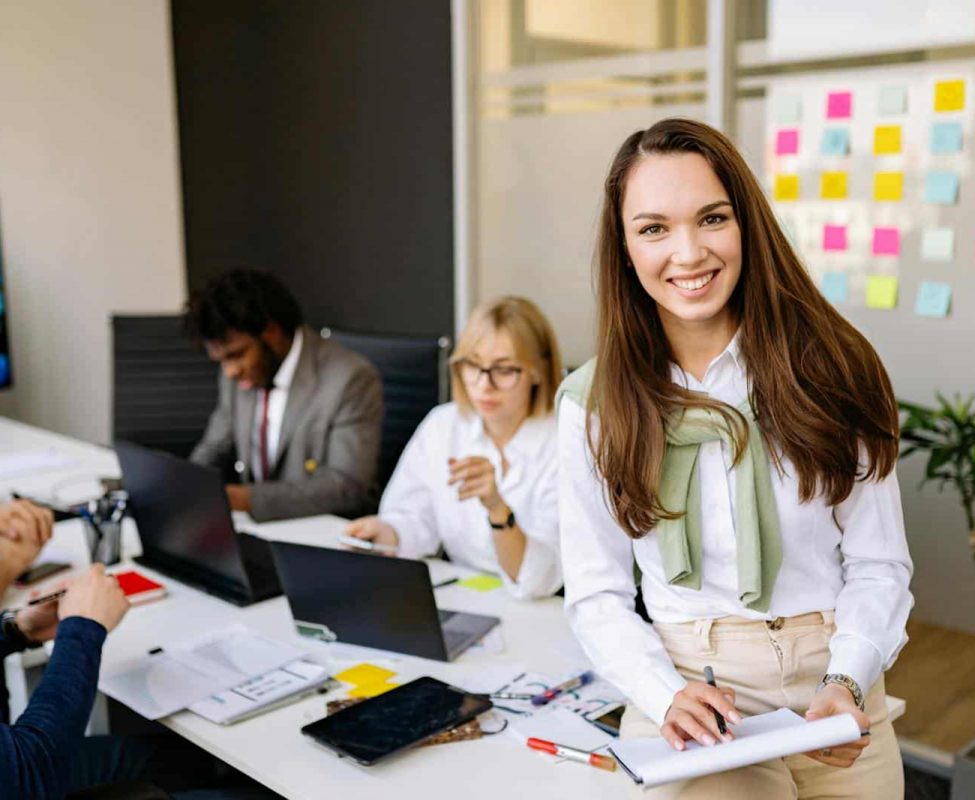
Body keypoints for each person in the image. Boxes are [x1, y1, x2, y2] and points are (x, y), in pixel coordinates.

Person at [558, 118, 912, 798]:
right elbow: (596, 593)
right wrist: (663, 693)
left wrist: (846, 681)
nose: (687, 253)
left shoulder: (834, 368)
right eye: (653, 228)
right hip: (694, 696)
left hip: (836, 685)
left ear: (746, 224)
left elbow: (879, 562)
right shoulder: (595, 404)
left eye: (711, 218)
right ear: (624, 249)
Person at [345, 296, 564, 600]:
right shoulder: (444, 424)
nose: (484, 385)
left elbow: (536, 580)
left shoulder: (566, 440)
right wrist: (384, 534)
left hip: (545, 609)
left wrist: (497, 509)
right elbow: (415, 519)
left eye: (504, 370)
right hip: (463, 592)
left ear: (539, 370)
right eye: (472, 365)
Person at [185, 268, 383, 522]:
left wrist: (242, 498)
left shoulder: (350, 378)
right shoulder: (237, 375)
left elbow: (347, 486)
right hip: (256, 528)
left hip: (322, 531)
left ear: (271, 332)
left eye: (236, 355)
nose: (230, 371)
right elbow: (214, 448)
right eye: (220, 360)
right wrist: (186, 487)